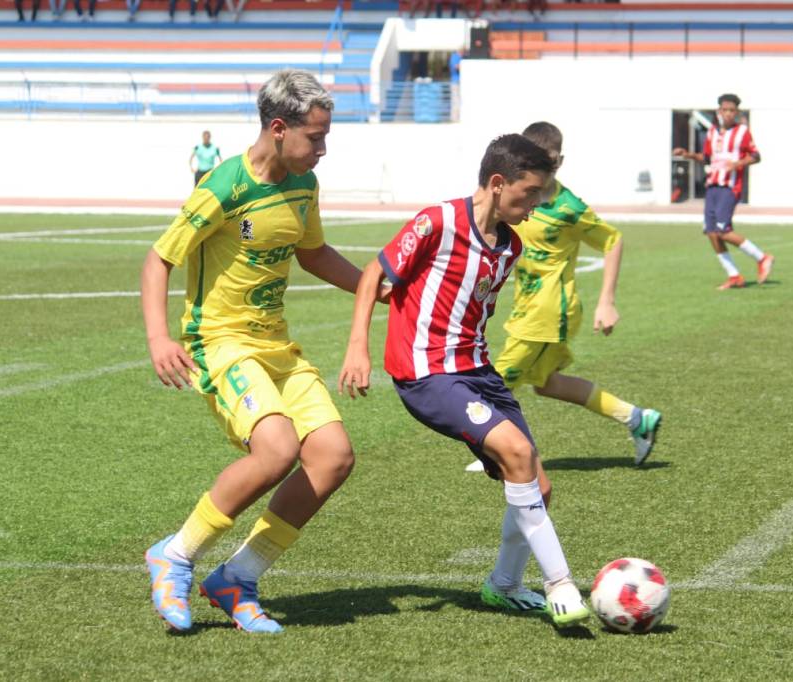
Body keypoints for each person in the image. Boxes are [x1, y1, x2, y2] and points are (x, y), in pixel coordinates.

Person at [141, 69, 365, 634]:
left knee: (334, 457)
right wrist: (158, 338)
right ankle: (177, 555)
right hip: (221, 343)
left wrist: (375, 287)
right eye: (315, 137)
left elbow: (313, 254)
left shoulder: (303, 185)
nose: (323, 149)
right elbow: (158, 260)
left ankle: (238, 576)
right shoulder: (224, 186)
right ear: (279, 128)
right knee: (276, 448)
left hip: (276, 344)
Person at [339, 134, 592, 628]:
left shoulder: (509, 245)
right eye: (529, 194)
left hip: (478, 372)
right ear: (498, 183)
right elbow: (375, 273)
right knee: (518, 455)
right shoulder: (436, 222)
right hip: (427, 373)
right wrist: (358, 347)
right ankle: (561, 586)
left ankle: (502, 586)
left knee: (537, 484)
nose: (535, 205)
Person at [464, 122, 661, 475]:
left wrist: (607, 301)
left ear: (559, 159)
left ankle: (499, 451)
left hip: (550, 310)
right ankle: (636, 418)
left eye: (549, 159)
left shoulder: (569, 208)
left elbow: (612, 240)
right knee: (548, 384)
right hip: (529, 306)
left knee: (499, 377)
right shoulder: (519, 196)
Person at [673, 93, 774, 290]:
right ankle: (734, 275)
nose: (728, 114)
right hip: (712, 186)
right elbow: (707, 157)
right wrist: (687, 154)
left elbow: (756, 156)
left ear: (736, 112)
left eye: (732, 111)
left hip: (730, 186)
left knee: (723, 231)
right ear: (719, 111)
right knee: (711, 232)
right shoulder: (712, 132)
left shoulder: (742, 132)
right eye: (724, 110)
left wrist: (736, 164)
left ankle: (762, 258)